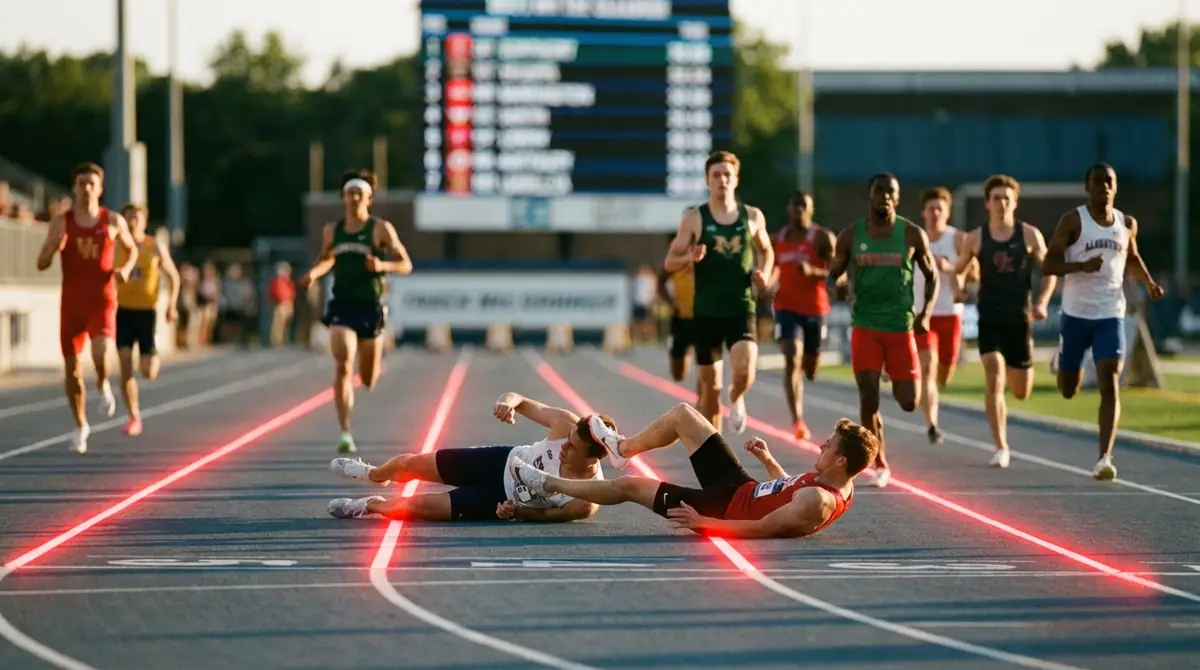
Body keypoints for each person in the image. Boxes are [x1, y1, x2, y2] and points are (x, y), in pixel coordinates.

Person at [512, 403, 877, 539]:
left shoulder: (818, 500)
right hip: (741, 488)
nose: (821, 446)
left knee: (629, 487)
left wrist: (704, 524)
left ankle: (543, 481)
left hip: (722, 508)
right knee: (683, 415)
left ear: (842, 461)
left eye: (828, 446)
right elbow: (783, 492)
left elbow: (764, 528)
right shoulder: (837, 483)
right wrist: (768, 462)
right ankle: (621, 448)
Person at [1042, 163, 1164, 481]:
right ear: (1088, 187)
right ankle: (1064, 362)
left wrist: (1148, 283)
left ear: (1116, 186)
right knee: (1069, 389)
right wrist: (1081, 265)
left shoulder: (1126, 223)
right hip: (1075, 315)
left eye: (1109, 182)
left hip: (1110, 314)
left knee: (1110, 380)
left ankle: (1104, 458)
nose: (1104, 187)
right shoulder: (1073, 221)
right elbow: (1049, 263)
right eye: (1098, 182)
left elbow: (1132, 257)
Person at [326, 392, 611, 523]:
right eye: (568, 440)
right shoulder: (566, 424)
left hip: (498, 500)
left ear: (592, 459)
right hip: (499, 461)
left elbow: (550, 514)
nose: (564, 446)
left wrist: (516, 512)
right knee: (407, 465)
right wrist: (506, 404)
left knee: (411, 509)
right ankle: (374, 474)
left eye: (572, 448)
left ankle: (367, 506)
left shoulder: (586, 501)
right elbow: (520, 400)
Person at [827, 173, 938, 488]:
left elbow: (932, 276)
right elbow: (832, 274)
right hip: (866, 326)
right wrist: (835, 287)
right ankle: (878, 460)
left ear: (898, 198)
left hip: (900, 327)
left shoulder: (912, 234)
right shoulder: (851, 236)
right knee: (869, 396)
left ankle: (890, 370)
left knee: (908, 402)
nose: (885, 197)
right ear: (870, 195)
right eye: (879, 191)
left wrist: (926, 313)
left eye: (891, 192)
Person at [300, 170, 413, 454]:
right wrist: (314, 273)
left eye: (358, 194)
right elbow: (327, 259)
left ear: (369, 199)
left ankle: (366, 375)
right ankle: (345, 431)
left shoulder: (380, 229)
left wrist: (382, 267)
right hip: (342, 305)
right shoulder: (332, 230)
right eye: (349, 194)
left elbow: (405, 264)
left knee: (368, 378)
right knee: (342, 362)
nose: (353, 199)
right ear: (343, 198)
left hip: (370, 307)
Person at [662, 151, 773, 435]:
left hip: (740, 307)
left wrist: (764, 273)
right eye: (716, 175)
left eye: (728, 175)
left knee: (744, 372)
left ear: (736, 179)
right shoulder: (694, 219)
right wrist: (690, 257)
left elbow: (766, 251)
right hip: (707, 311)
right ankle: (717, 461)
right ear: (707, 180)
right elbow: (669, 262)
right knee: (710, 391)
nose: (722, 180)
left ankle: (736, 398)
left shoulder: (752, 216)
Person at [953, 175, 1056, 468]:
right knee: (994, 374)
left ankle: (1025, 369)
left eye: (1007, 198)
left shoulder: (1029, 235)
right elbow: (957, 269)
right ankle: (1001, 446)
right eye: (996, 198)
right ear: (987, 202)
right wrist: (958, 289)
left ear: (1015, 202)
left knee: (1021, 391)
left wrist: (1043, 302)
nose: (1002, 203)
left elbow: (1048, 269)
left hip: (1019, 319)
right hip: (989, 317)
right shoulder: (976, 237)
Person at [35, 163, 138, 454]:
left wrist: (126, 268)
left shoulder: (112, 221)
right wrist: (54, 247)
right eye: (81, 183)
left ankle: (103, 383)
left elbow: (130, 249)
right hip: (71, 305)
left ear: (100, 188)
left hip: (102, 300)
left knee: (102, 352)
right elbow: (40, 264)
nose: (86, 189)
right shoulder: (61, 222)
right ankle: (80, 425)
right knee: (72, 369)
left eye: (92, 183)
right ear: (74, 188)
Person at [770, 190, 835, 441]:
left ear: (811, 210)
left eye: (803, 206)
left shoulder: (820, 238)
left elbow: (837, 272)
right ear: (788, 210)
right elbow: (772, 267)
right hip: (786, 308)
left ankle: (810, 365)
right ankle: (797, 420)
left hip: (815, 310)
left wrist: (812, 271)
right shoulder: (779, 239)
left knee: (810, 369)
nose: (798, 211)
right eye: (794, 206)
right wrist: (766, 282)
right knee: (791, 359)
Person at [114, 204, 181, 436]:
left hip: (146, 313)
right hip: (122, 311)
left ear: (144, 221)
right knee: (124, 365)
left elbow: (173, 276)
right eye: (129, 217)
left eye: (137, 217)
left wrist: (171, 305)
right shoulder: (116, 246)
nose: (133, 222)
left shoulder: (154, 247)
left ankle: (152, 356)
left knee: (148, 372)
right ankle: (134, 416)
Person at [912, 187, 966, 445]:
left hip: (950, 314)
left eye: (939, 209)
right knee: (927, 365)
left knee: (944, 372)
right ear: (923, 212)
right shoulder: (914, 239)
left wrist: (951, 268)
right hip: (923, 313)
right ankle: (932, 424)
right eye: (931, 208)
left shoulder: (958, 239)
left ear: (947, 212)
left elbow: (974, 272)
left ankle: (933, 405)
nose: (935, 213)